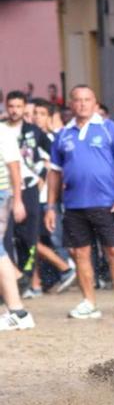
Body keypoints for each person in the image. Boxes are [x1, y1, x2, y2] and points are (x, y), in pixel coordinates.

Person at [45, 85, 114, 318]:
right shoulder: (63, 135)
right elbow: (54, 173)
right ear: (71, 104)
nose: (82, 104)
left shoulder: (109, 129)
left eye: (87, 99)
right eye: (78, 100)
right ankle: (89, 302)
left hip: (107, 203)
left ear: (95, 103)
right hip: (73, 206)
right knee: (81, 254)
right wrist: (51, 206)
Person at [1, 91, 52, 293]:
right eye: (11, 106)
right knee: (5, 239)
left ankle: (29, 281)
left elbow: (52, 154)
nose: (14, 110)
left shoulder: (33, 131)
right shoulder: (3, 129)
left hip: (28, 189)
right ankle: (11, 283)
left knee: (29, 239)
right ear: (6, 106)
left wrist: (41, 175)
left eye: (18, 106)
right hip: (5, 189)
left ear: (24, 108)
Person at [25, 99, 76, 297]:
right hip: (34, 198)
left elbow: (54, 169)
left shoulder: (54, 139)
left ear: (49, 117)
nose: (35, 117)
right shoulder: (28, 137)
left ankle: (69, 268)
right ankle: (36, 284)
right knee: (32, 241)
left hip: (47, 199)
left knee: (54, 240)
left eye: (39, 113)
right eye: (32, 113)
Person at [0, 111, 32, 331]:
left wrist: (18, 200)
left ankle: (18, 312)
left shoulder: (2, 131)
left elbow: (14, 167)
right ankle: (19, 279)